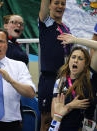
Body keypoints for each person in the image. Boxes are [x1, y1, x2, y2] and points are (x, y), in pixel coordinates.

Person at [51, 33, 97, 130]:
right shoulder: (60, 81)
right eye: (73, 57)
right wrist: (70, 106)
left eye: (80, 59)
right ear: (68, 61)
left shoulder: (90, 77)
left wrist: (76, 40)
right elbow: (54, 114)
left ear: (85, 64)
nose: (75, 61)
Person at [38, 0, 72, 130]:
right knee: (46, 120)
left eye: (63, 3)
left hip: (64, 79)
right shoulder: (45, 23)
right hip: (49, 78)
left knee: (60, 119)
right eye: (56, 3)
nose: (60, 6)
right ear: (50, 5)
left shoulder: (66, 28)